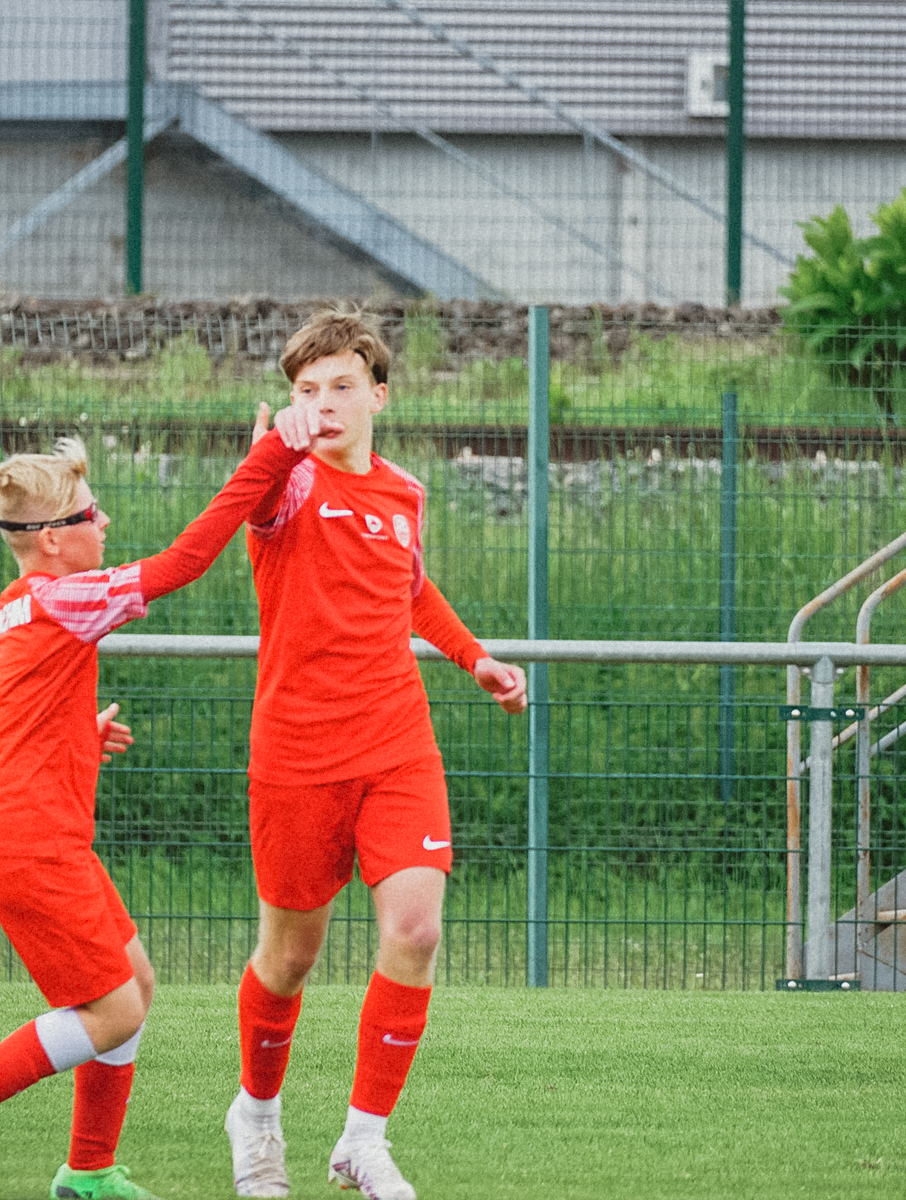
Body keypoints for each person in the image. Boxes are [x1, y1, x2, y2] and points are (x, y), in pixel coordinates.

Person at [0, 403, 335, 1200]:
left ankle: (90, 1172)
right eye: (89, 514)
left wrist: (71, 731)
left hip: (19, 830)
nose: (104, 523)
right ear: (51, 539)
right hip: (27, 839)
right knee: (114, 1012)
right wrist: (269, 458)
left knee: (135, 982)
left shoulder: (2, 614)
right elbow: (186, 561)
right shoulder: (68, 595)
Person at [223, 311, 528, 1200]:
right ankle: (257, 1117)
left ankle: (362, 1140)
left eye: (341, 386)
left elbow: (412, 588)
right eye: (306, 389)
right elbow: (258, 503)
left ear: (378, 396)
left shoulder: (403, 493)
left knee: (416, 930)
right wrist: (268, 455)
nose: (323, 403)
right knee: (289, 960)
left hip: (397, 745)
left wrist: (476, 659)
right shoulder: (286, 483)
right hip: (296, 755)